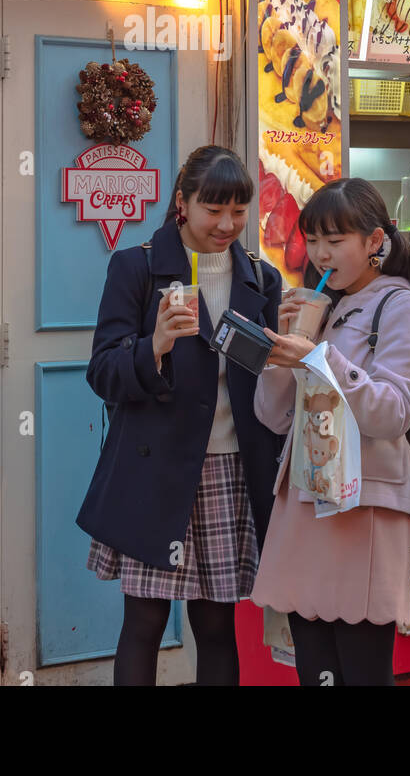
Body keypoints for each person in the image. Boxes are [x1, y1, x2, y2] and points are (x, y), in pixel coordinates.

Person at [76, 145, 283, 686]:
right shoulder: (137, 266)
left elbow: (269, 379)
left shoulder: (261, 277)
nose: (227, 224)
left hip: (228, 470)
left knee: (216, 622)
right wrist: (155, 346)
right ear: (181, 203)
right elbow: (102, 371)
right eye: (213, 209)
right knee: (142, 621)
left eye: (238, 210)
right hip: (154, 470)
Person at [250, 178, 410, 687]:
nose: (319, 255)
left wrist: (321, 357)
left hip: (365, 507)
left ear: (375, 241)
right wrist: (285, 350)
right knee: (314, 664)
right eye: (312, 241)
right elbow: (274, 417)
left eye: (334, 242)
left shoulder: (407, 311)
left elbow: (394, 413)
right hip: (307, 498)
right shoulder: (326, 308)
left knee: (360, 665)